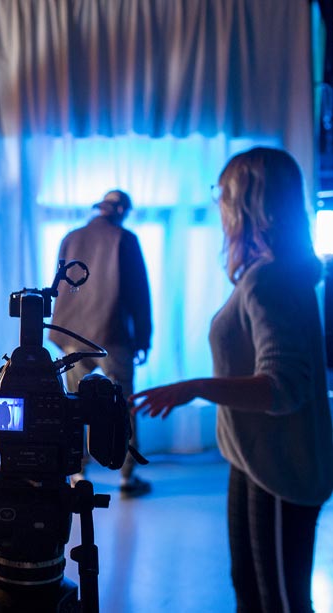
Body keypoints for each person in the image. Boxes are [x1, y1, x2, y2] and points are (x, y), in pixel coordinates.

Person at [131, 147, 333, 612]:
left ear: (248, 202)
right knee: (250, 589)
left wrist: (196, 387)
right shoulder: (269, 275)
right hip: (255, 458)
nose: (219, 205)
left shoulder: (271, 280)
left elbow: (282, 387)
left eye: (223, 194)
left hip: (282, 466)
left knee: (279, 601)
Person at [48, 189, 152, 498]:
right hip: (112, 335)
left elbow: (61, 287)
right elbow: (138, 292)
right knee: (123, 405)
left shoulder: (71, 237)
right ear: (120, 210)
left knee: (73, 407)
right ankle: (127, 477)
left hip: (73, 336)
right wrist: (143, 337)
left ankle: (77, 472)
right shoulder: (125, 239)